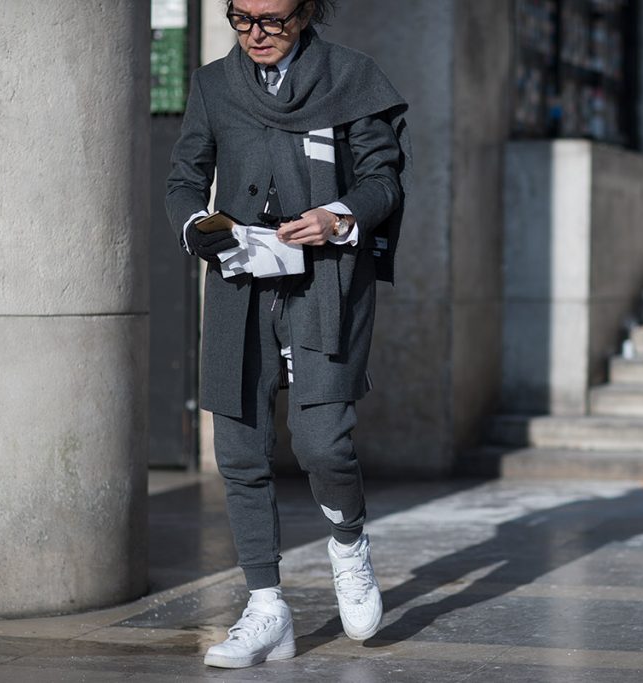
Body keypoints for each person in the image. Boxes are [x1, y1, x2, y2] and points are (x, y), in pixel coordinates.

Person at [165, 0, 410, 669]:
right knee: (239, 449)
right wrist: (201, 228)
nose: (256, 34)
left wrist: (340, 215)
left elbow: (382, 178)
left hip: (326, 283)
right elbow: (185, 176)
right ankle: (267, 606)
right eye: (241, 18)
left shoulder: (350, 78)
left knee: (322, 441)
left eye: (272, 19)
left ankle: (349, 542)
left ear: (307, 13)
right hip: (240, 279)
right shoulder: (215, 84)